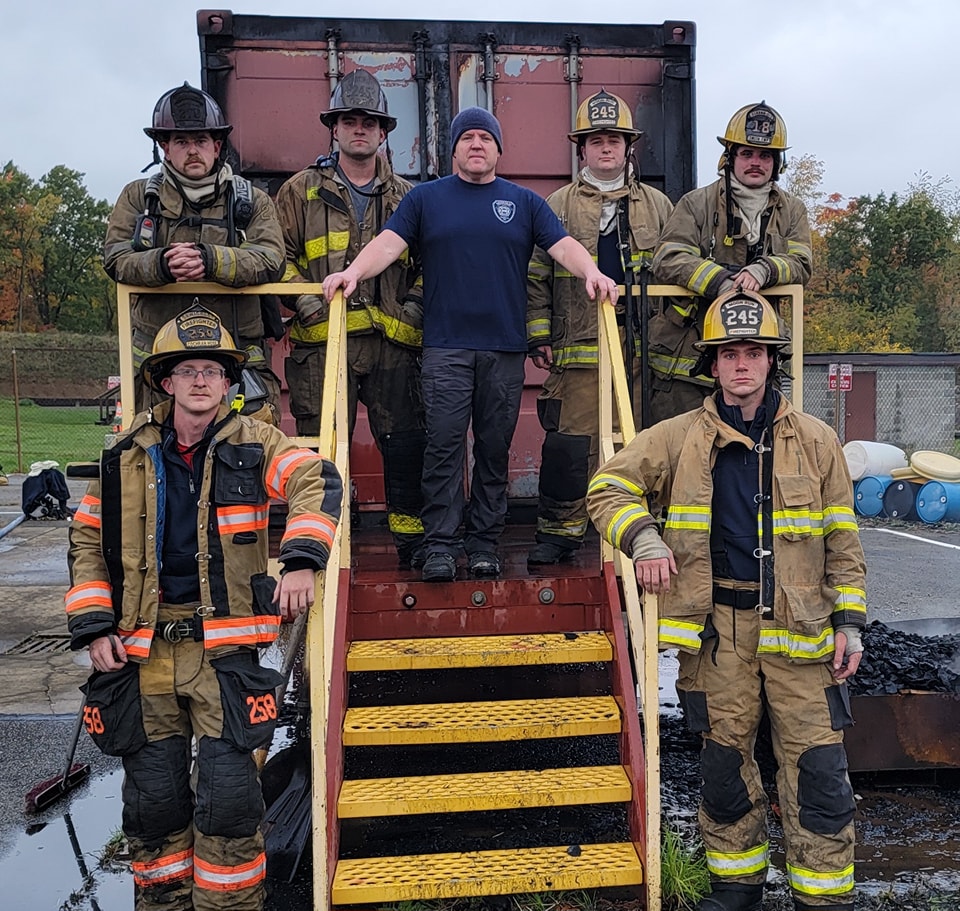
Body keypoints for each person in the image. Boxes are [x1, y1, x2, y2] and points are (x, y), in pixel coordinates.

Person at [586, 289, 866, 911]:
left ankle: (824, 896)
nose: (743, 365)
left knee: (818, 772)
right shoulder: (678, 437)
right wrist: (645, 540)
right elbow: (606, 488)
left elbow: (842, 540)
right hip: (718, 638)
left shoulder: (819, 441)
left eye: (755, 353)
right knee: (724, 768)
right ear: (711, 365)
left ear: (772, 361)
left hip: (804, 638)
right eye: (730, 353)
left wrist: (851, 620)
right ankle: (736, 889)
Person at [65, 304, 342, 911]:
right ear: (166, 381)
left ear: (227, 382)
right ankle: (162, 904)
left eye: (212, 370)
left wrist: (300, 560)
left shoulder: (258, 442)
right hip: (144, 652)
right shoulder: (123, 457)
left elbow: (317, 479)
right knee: (154, 803)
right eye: (187, 369)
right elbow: (87, 538)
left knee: (230, 801)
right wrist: (93, 626)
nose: (200, 381)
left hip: (224, 654)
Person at [323, 106, 618, 582]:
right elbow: (388, 244)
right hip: (445, 349)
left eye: (485, 138)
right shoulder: (426, 200)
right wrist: (352, 273)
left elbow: (563, 245)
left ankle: (483, 544)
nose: (476, 145)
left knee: (494, 449)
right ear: (455, 149)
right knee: (443, 447)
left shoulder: (524, 202)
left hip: (503, 350)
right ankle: (440, 545)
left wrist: (594, 273)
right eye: (468, 138)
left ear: (499, 150)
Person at [275, 69, 426, 568]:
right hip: (323, 343)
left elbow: (431, 268)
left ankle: (411, 543)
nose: (359, 129)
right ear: (334, 129)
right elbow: (279, 255)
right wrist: (307, 303)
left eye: (369, 122)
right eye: (349, 120)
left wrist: (411, 311)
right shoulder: (299, 192)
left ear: (383, 132)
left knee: (405, 444)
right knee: (323, 445)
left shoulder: (410, 197)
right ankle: (328, 542)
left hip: (392, 343)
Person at [526, 89, 674, 566]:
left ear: (629, 146)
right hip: (579, 348)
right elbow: (536, 273)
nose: (605, 147)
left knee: (644, 443)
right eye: (595, 140)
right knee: (571, 445)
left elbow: (674, 270)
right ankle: (562, 533)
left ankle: (641, 533)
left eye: (614, 139)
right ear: (581, 148)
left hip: (644, 352)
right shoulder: (559, 204)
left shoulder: (658, 206)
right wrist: (539, 333)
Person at [103, 83, 286, 423]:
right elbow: (115, 258)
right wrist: (161, 264)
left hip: (234, 364)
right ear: (164, 148)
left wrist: (211, 260)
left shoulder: (252, 202)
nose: (192, 151)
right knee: (153, 455)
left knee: (243, 457)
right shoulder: (138, 198)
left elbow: (272, 259)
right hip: (158, 366)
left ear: (217, 147)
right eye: (181, 142)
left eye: (201, 141)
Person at [649, 102, 812, 423]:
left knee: (754, 454)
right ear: (729, 158)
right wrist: (720, 283)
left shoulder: (792, 211)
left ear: (777, 164)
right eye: (747, 154)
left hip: (756, 360)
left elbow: (802, 262)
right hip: (687, 359)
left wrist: (764, 270)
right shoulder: (696, 204)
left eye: (765, 156)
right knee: (684, 454)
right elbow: (667, 257)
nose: (756, 162)